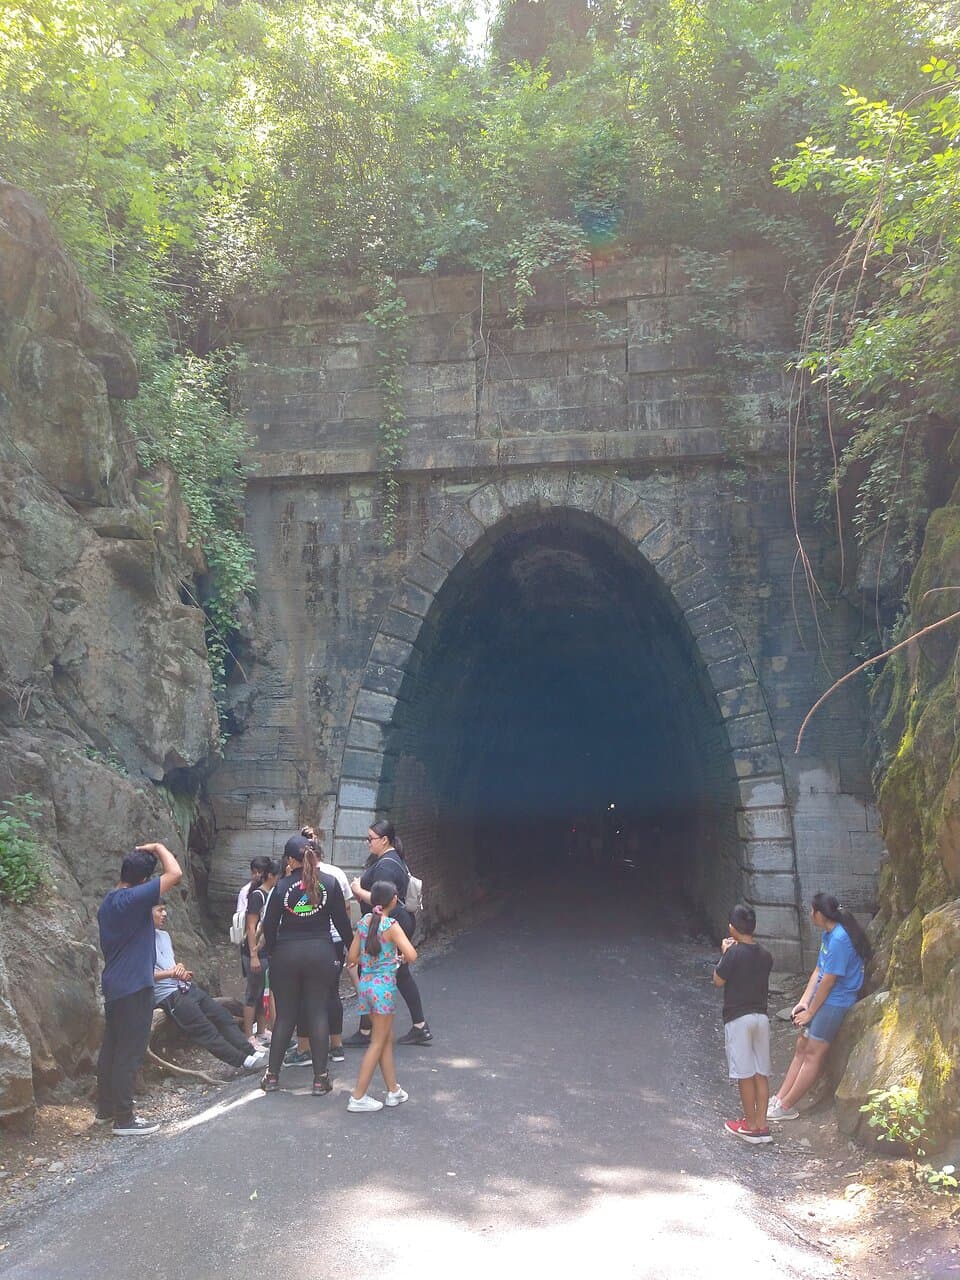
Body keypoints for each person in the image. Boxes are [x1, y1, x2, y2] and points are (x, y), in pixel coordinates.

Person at [96, 841, 182, 1136]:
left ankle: (105, 1110)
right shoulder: (135, 898)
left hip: (115, 984)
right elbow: (175, 873)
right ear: (144, 882)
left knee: (111, 1049)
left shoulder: (110, 899)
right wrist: (158, 847)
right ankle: (125, 1119)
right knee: (129, 1053)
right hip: (134, 985)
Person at [259, 833, 353, 1096]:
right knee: (317, 1013)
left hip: (287, 953)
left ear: (290, 860)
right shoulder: (330, 883)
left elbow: (268, 925)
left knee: (286, 1016)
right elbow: (342, 923)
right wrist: (352, 949)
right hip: (321, 952)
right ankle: (320, 1079)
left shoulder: (280, 886)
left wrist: (275, 951)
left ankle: (273, 1076)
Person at [768, 892, 872, 1122]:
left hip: (835, 1002)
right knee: (801, 1046)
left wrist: (811, 1012)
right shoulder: (829, 935)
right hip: (823, 1000)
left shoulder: (839, 939)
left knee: (813, 1054)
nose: (809, 914)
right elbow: (818, 972)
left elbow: (829, 980)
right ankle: (779, 1098)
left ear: (818, 913)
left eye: (810, 910)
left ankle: (785, 1106)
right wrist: (804, 1002)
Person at [344, 819, 432, 1048]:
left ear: (384, 840)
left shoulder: (386, 865)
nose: (367, 843)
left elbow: (381, 898)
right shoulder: (392, 860)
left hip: (390, 924)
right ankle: (417, 1027)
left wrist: (356, 890)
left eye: (370, 839)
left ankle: (368, 1031)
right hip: (398, 922)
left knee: (371, 971)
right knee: (398, 974)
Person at [152, 904, 267, 1074]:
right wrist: (172, 973)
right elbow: (143, 976)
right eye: (159, 910)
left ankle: (251, 1051)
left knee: (223, 1016)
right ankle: (244, 1061)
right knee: (205, 1030)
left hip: (185, 987)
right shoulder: (139, 942)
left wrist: (180, 968)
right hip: (169, 996)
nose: (165, 914)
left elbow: (171, 963)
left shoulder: (164, 936)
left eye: (165, 909)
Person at [346, 880, 417, 1113]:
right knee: (377, 1043)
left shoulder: (364, 922)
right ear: (394, 900)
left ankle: (393, 1091)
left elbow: (353, 956)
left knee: (385, 1038)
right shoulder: (392, 925)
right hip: (383, 989)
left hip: (366, 986)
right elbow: (412, 954)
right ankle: (358, 1097)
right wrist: (397, 958)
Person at [713, 904, 774, 1145]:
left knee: (744, 1074)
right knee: (761, 1072)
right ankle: (762, 1124)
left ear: (732, 928)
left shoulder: (733, 954)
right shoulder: (766, 955)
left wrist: (724, 953)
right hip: (761, 1017)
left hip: (738, 1018)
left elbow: (718, 980)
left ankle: (749, 1125)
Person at [242, 858, 280, 1045]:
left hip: (266, 951)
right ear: (270, 876)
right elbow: (251, 927)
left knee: (263, 991)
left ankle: (262, 1031)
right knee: (253, 992)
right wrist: (254, 955)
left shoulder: (271, 894)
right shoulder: (258, 896)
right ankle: (249, 1035)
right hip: (254, 951)